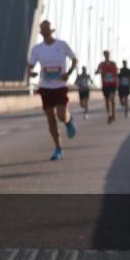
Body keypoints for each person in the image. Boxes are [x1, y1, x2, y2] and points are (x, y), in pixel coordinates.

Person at [27, 20, 78, 161]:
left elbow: (74, 59)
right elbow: (30, 66)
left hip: (60, 86)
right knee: (51, 118)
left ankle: (68, 121)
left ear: (51, 30)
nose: (45, 31)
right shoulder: (37, 49)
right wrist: (31, 73)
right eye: (42, 29)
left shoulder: (61, 45)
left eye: (47, 29)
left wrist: (69, 72)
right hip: (45, 87)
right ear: (40, 32)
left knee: (61, 115)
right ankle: (58, 148)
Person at [94, 51, 119, 124]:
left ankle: (113, 115)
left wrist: (115, 77)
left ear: (109, 55)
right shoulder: (101, 64)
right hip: (105, 85)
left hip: (112, 84)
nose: (106, 56)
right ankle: (109, 115)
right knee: (107, 101)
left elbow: (117, 72)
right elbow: (97, 71)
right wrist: (98, 72)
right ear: (104, 55)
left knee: (112, 99)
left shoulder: (113, 63)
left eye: (107, 54)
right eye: (105, 55)